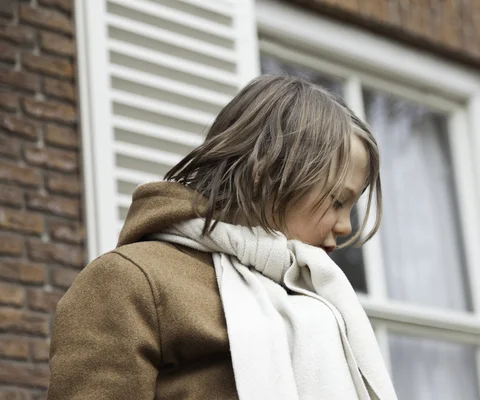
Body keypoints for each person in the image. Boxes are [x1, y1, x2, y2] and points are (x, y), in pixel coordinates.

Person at [47, 75, 398, 400]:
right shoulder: (128, 282)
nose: (345, 226)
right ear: (267, 175)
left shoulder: (319, 299)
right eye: (337, 201)